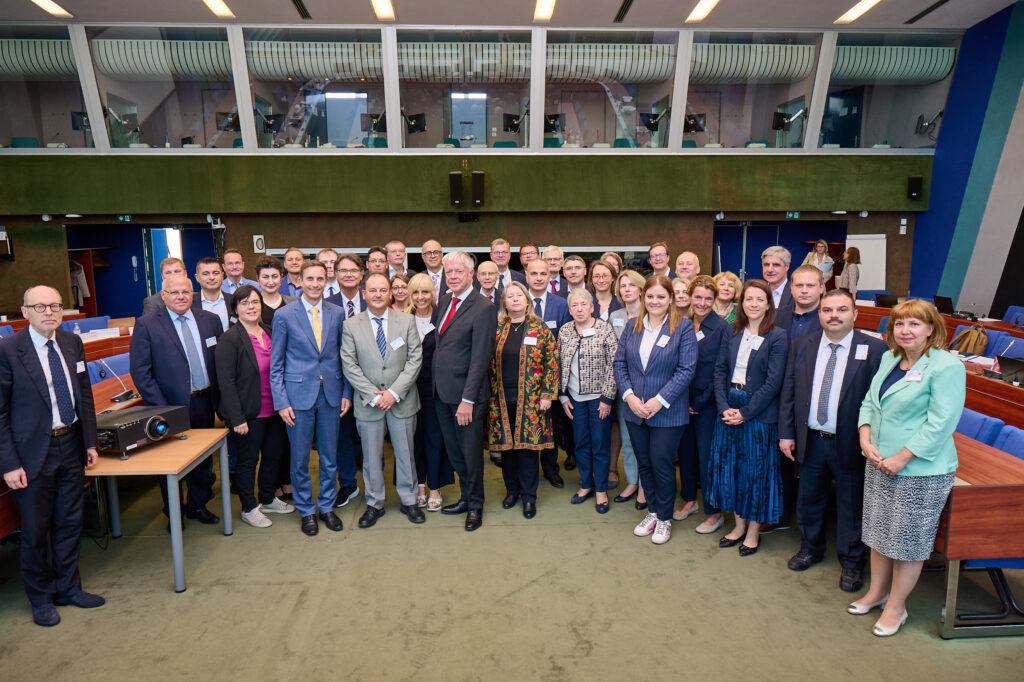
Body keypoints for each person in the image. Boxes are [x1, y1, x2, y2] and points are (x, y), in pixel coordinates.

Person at [851, 300, 965, 637]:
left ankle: (896, 607)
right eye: (900, 324)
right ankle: (877, 592)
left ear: (931, 329)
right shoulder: (891, 358)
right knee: (878, 532)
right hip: (879, 461)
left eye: (914, 324)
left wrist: (902, 458)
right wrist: (864, 437)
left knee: (907, 542)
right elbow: (870, 403)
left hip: (919, 470)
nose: (906, 331)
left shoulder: (946, 366)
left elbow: (940, 424)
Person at [0, 285, 103, 627]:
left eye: (55, 306)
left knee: (70, 522)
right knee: (35, 530)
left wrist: (90, 442)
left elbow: (84, 395)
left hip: (70, 444)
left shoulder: (72, 343)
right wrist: (9, 463)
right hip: (31, 453)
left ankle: (69, 588)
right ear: (24, 311)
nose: (49, 312)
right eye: (40, 306)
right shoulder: (8, 350)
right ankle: (41, 598)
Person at [778, 288, 886, 592]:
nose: (834, 316)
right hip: (811, 438)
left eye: (841, 310)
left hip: (851, 441)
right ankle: (810, 548)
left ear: (855, 314)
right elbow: (789, 392)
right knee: (809, 499)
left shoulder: (875, 349)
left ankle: (852, 563)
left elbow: (879, 401)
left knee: (851, 504)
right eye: (827, 310)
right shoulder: (802, 345)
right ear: (820, 314)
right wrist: (787, 432)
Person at [130, 275, 223, 525]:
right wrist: (163, 407)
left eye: (186, 291)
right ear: (163, 295)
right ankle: (173, 511)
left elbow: (219, 361)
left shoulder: (210, 320)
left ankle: (197, 505)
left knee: (202, 458)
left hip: (204, 401)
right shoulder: (147, 325)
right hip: (168, 406)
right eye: (174, 292)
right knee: (170, 461)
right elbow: (140, 371)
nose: (181, 296)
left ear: (193, 293)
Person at [270, 261, 353, 536]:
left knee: (329, 456)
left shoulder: (337, 313)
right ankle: (306, 510)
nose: (315, 284)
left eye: (320, 279)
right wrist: (281, 402)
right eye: (310, 279)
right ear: (300, 281)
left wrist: (346, 392)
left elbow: (344, 357)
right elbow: (276, 364)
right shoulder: (284, 315)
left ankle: (326, 506)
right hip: (297, 398)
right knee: (300, 459)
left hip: (331, 394)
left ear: (325, 281)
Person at [614, 274, 696, 544]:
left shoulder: (683, 327)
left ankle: (664, 518)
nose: (655, 301)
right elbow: (620, 364)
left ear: (671, 298)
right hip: (635, 410)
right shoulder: (632, 326)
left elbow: (686, 370)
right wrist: (629, 397)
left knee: (661, 463)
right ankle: (652, 511)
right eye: (650, 296)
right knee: (645, 464)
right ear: (643, 297)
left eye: (661, 296)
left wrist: (659, 400)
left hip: (668, 412)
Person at [708, 279, 788, 556]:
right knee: (731, 470)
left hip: (758, 413)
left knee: (755, 474)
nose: (753, 304)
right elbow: (719, 371)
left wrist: (745, 413)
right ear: (741, 304)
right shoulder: (732, 331)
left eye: (759, 299)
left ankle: (753, 532)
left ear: (768, 305)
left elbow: (773, 382)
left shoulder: (778, 336)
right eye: (748, 299)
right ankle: (738, 526)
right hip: (729, 408)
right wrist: (723, 407)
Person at [342, 273, 425, 528]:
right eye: (372, 290)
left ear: (390, 294)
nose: (378, 294)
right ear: (364, 294)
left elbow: (414, 359)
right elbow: (349, 364)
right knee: (371, 457)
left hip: (402, 400)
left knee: (406, 454)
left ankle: (409, 500)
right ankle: (374, 503)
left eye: (382, 290)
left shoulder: (407, 321)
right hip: (369, 403)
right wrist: (373, 395)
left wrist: (394, 393)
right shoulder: (351, 325)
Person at [215, 286, 295, 528]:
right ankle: (249, 507)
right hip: (249, 412)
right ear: (235, 308)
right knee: (248, 461)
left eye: (255, 302)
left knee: (273, 456)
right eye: (245, 303)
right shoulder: (230, 339)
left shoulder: (269, 331)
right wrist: (236, 418)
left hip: (275, 409)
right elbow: (226, 383)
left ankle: (268, 498)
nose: (251, 307)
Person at [432, 251, 497, 531]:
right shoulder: (445, 300)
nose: (453, 276)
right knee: (455, 452)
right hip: (441, 392)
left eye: (459, 271)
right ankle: (465, 497)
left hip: (465, 398)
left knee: (470, 454)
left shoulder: (483, 308)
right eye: (449, 272)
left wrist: (467, 400)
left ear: (471, 274)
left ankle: (475, 506)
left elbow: (480, 358)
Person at [488, 281, 559, 519]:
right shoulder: (496, 329)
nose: (515, 299)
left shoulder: (540, 328)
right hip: (500, 399)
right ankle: (512, 492)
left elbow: (552, 362)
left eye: (519, 295)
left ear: (527, 301)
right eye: (510, 296)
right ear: (504, 303)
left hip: (531, 400)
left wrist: (547, 394)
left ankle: (529, 497)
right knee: (507, 449)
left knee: (528, 450)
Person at [674, 276, 730, 533]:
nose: (702, 303)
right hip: (681, 399)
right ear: (689, 296)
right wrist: (682, 399)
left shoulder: (722, 328)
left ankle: (714, 512)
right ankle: (689, 500)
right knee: (685, 453)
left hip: (707, 402)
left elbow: (721, 369)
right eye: (698, 297)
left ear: (715, 300)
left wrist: (699, 401)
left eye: (708, 298)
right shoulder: (682, 324)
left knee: (707, 457)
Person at [558, 289, 618, 514]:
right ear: (570, 309)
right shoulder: (565, 331)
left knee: (600, 445)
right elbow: (558, 364)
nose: (579, 309)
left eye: (584, 304)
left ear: (592, 307)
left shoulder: (604, 329)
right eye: (575, 305)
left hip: (599, 400)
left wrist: (607, 397)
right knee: (580, 444)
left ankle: (601, 489)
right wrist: (562, 396)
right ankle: (586, 485)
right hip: (574, 399)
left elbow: (614, 364)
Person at [408, 273, 455, 511]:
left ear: (433, 294)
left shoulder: (442, 318)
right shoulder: (403, 319)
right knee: (413, 438)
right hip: (408, 390)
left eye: (425, 292)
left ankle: (435, 486)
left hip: (435, 389)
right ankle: (419, 485)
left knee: (435, 437)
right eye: (415, 292)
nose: (420, 297)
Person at [525, 258, 573, 485]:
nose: (538, 278)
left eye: (543, 274)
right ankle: (528, 471)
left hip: (551, 376)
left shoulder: (561, 304)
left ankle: (550, 468)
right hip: (523, 377)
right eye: (533, 273)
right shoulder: (517, 300)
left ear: (550, 276)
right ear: (526, 276)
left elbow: (565, 341)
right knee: (525, 424)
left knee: (550, 424)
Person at [608, 269, 646, 506]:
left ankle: (645, 485)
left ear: (641, 289)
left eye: (632, 285)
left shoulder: (651, 312)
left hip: (648, 388)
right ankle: (632, 481)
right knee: (628, 437)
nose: (627, 289)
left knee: (646, 440)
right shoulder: (615, 316)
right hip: (623, 387)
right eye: (623, 286)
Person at [775, 265, 825, 339]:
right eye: (799, 285)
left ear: (821, 288)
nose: (804, 291)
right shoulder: (775, 316)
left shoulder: (829, 318)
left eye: (810, 286)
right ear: (791, 288)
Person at [256, 256, 296, 327]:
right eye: (265, 277)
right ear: (258, 278)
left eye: (274, 277)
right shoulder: (251, 305)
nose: (271, 282)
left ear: (281, 277)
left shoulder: (294, 303)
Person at [325, 253, 367, 319]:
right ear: (336, 275)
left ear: (361, 275)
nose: (348, 275)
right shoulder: (326, 304)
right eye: (343, 271)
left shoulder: (370, 301)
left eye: (353, 270)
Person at [195, 257, 230, 331]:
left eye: (215, 273)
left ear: (222, 276)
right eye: (205, 274)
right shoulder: (190, 304)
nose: (211, 277)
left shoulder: (234, 301)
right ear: (197, 277)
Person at [762, 245, 793, 310]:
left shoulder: (796, 293)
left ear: (787, 266)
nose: (770, 270)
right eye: (766, 265)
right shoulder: (758, 291)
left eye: (776, 265)